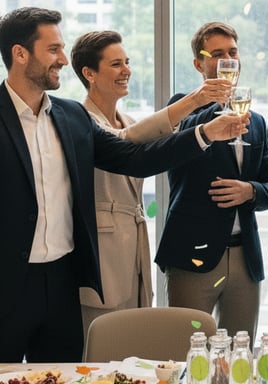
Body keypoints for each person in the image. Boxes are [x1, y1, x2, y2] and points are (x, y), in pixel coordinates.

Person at [0, 7, 247, 362]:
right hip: (8, 285)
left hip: (63, 283)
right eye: (53, 50)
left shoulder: (70, 117)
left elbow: (135, 157)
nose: (62, 60)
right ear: (19, 54)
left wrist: (205, 133)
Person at [70, 30, 233, 337]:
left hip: (134, 254)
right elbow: (124, 145)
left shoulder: (130, 121)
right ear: (89, 73)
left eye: (127, 62)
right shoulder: (79, 119)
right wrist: (196, 101)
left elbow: (154, 148)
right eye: (116, 64)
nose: (127, 70)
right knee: (97, 351)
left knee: (130, 355)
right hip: (102, 259)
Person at [155, 21, 268, 338]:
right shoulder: (180, 108)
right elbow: (175, 146)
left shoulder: (255, 121)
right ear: (200, 63)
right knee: (188, 354)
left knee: (239, 357)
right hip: (191, 257)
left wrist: (249, 190)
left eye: (233, 53)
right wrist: (211, 105)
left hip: (245, 258)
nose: (228, 60)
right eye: (217, 54)